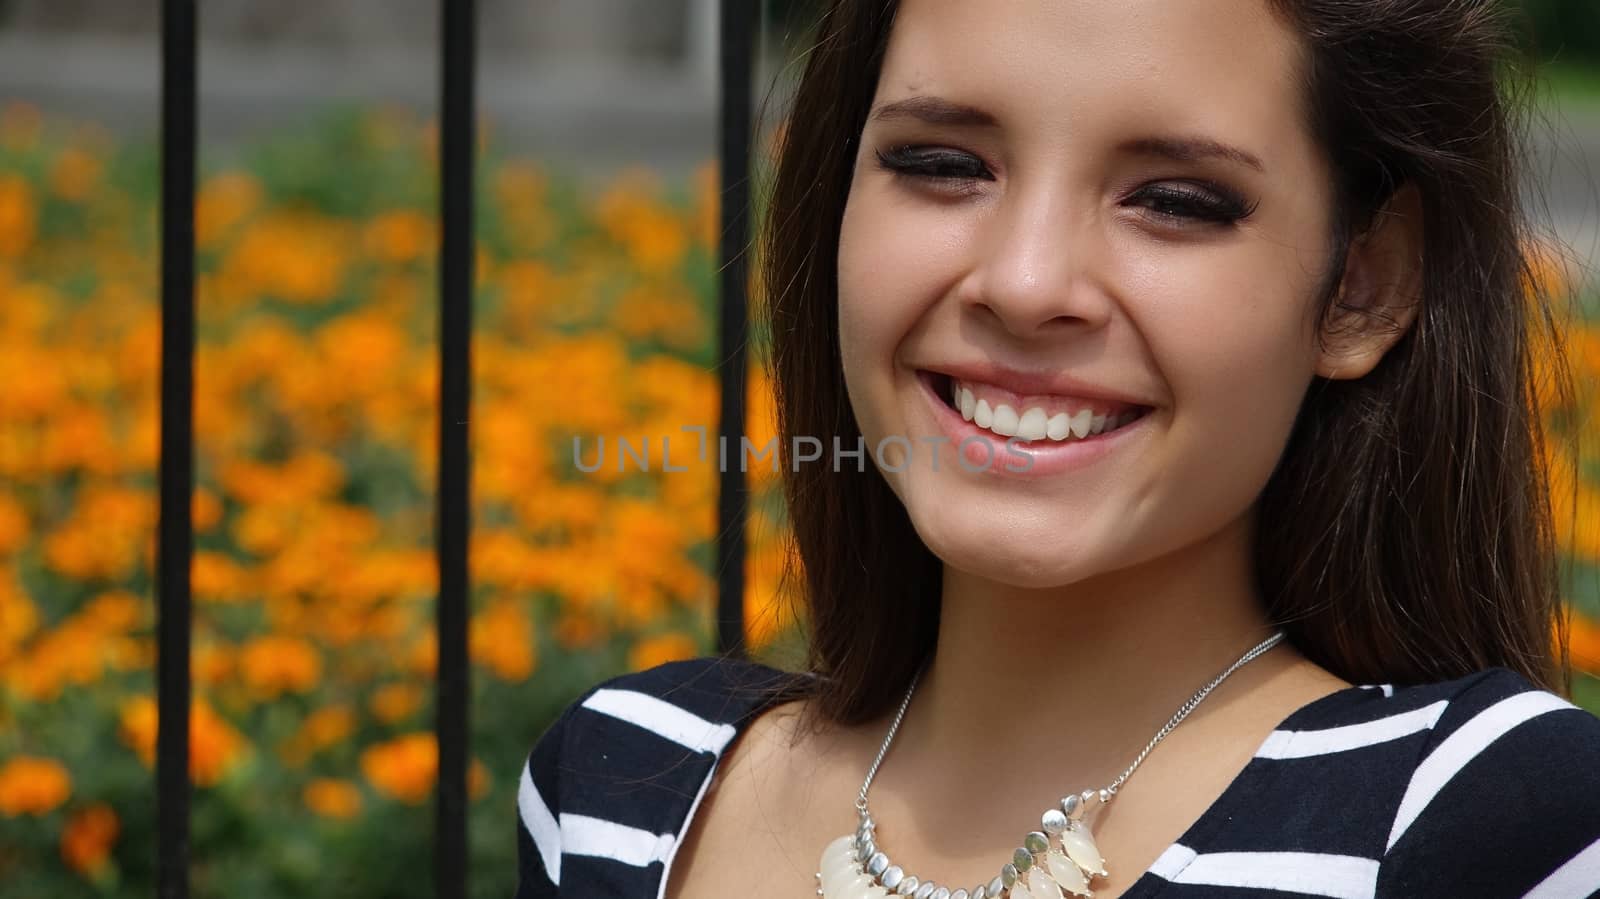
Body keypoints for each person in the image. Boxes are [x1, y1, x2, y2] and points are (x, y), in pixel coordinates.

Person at [514, 1, 1600, 897]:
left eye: (1174, 201)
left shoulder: (1487, 819)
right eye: (941, 163)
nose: (1026, 284)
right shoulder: (622, 784)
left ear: (1363, 285)